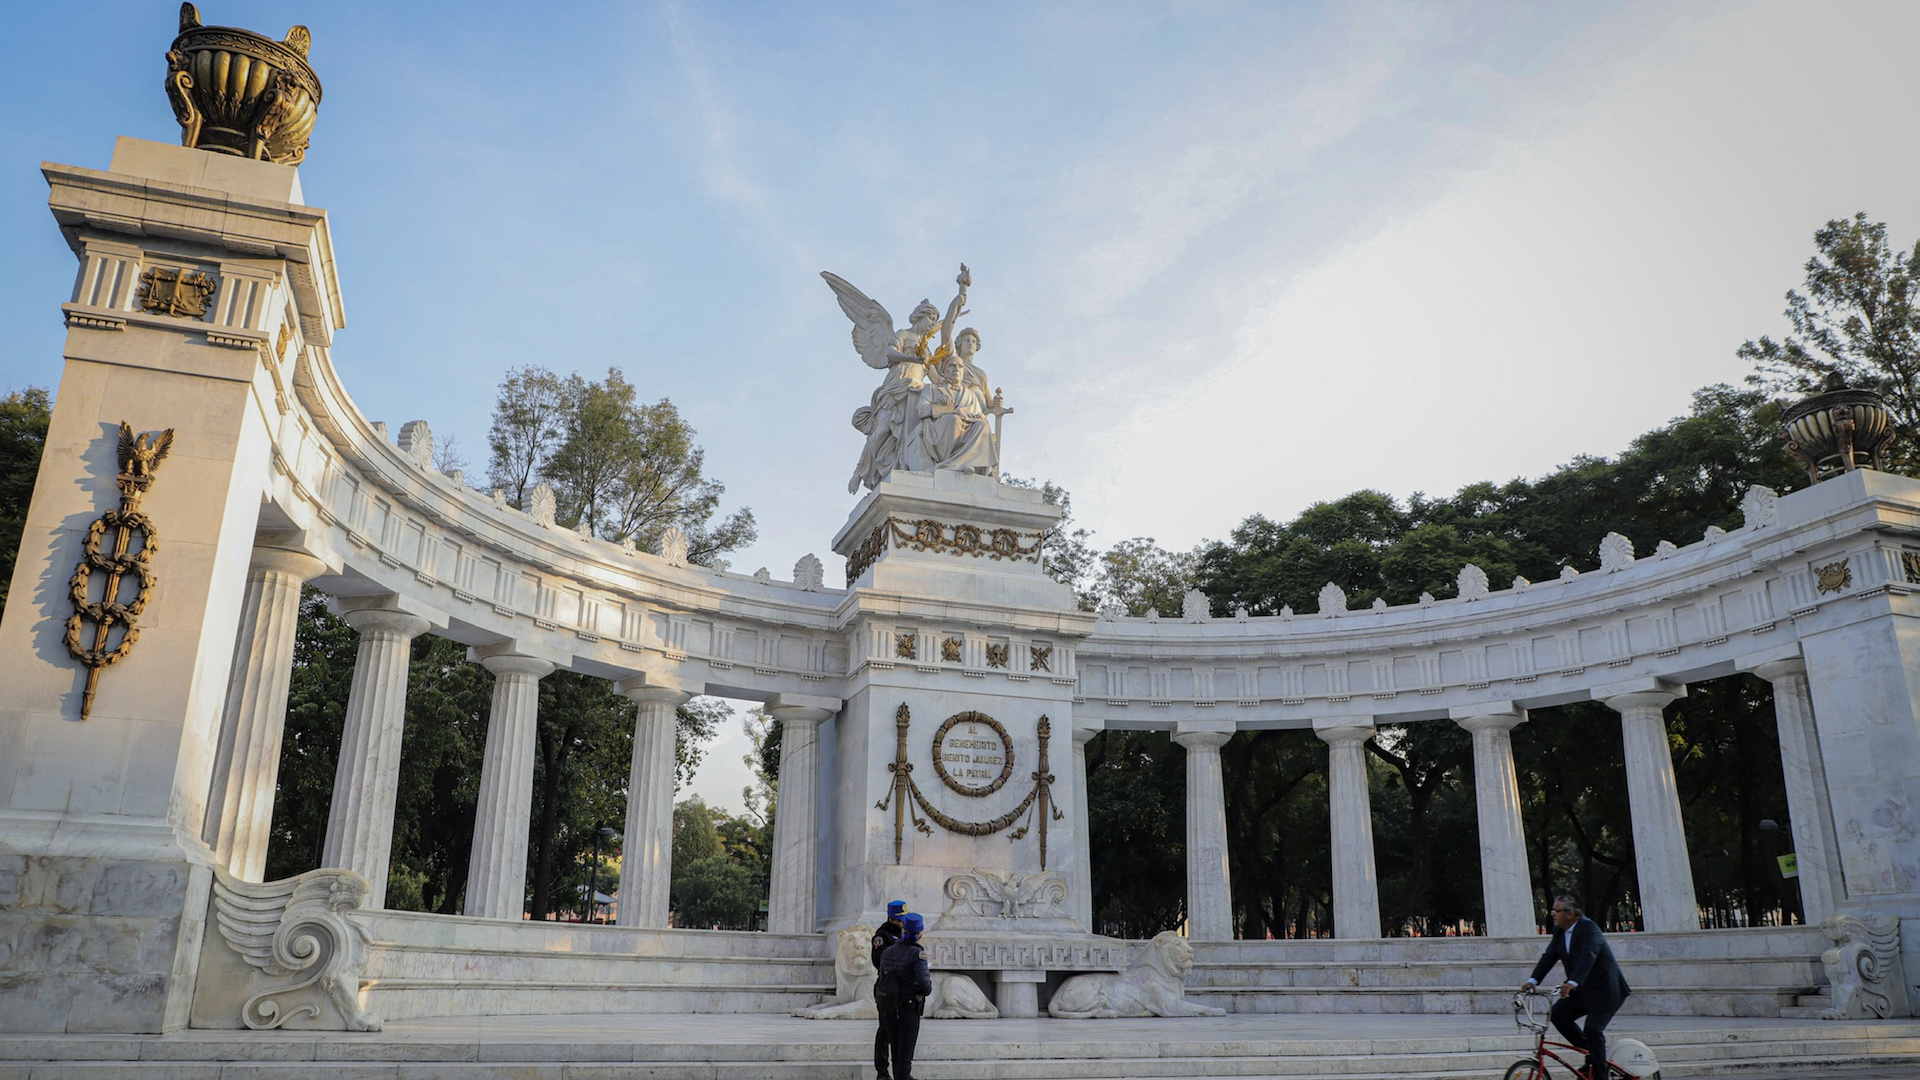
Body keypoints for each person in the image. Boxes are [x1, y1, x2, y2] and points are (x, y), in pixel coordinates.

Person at [1522, 895, 1632, 1079]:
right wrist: (1533, 980)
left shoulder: (1589, 929)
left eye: (1556, 911)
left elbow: (1588, 956)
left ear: (1570, 913)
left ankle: (1599, 1074)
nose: (1552, 915)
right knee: (1558, 1014)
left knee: (1593, 1029)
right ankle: (1592, 1054)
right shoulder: (1560, 932)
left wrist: (1572, 982)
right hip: (1584, 991)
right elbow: (1549, 957)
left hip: (1606, 991)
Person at [874, 912, 931, 1080]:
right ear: (919, 933)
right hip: (908, 1008)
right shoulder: (917, 954)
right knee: (905, 1056)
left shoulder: (888, 951)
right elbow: (925, 986)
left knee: (896, 1051)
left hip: (890, 1007)